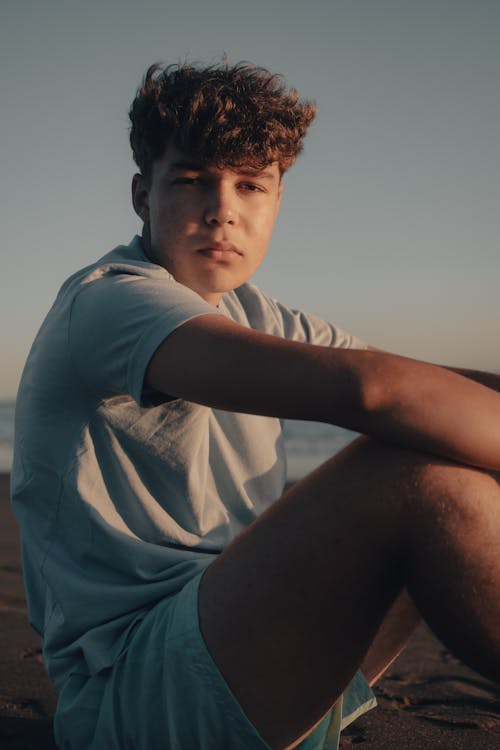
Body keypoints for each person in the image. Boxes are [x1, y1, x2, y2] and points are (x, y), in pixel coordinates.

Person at [11, 60, 500, 750]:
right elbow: (372, 390)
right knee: (419, 477)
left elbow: (437, 386)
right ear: (140, 195)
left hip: (243, 658)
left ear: (277, 200)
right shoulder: (110, 300)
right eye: (190, 180)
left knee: (444, 431)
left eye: (250, 184)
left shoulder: (257, 315)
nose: (222, 209)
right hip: (132, 694)